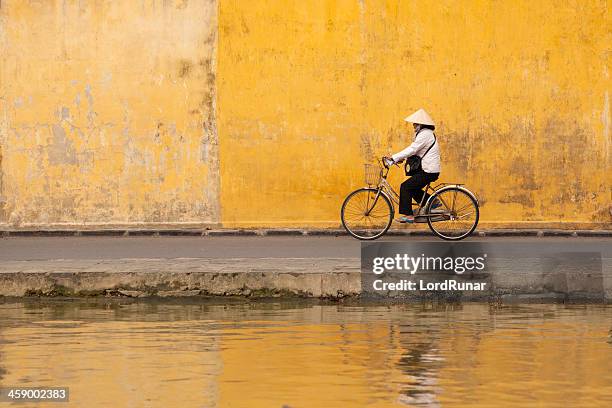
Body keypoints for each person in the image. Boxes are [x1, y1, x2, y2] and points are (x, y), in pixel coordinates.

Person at [384, 109, 441, 223]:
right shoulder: (423, 134)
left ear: (422, 124)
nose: (413, 125)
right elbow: (415, 151)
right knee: (412, 187)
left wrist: (394, 157)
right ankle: (431, 202)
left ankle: (409, 215)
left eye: (416, 123)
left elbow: (412, 149)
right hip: (428, 169)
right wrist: (399, 159)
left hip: (429, 170)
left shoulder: (425, 134)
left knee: (405, 187)